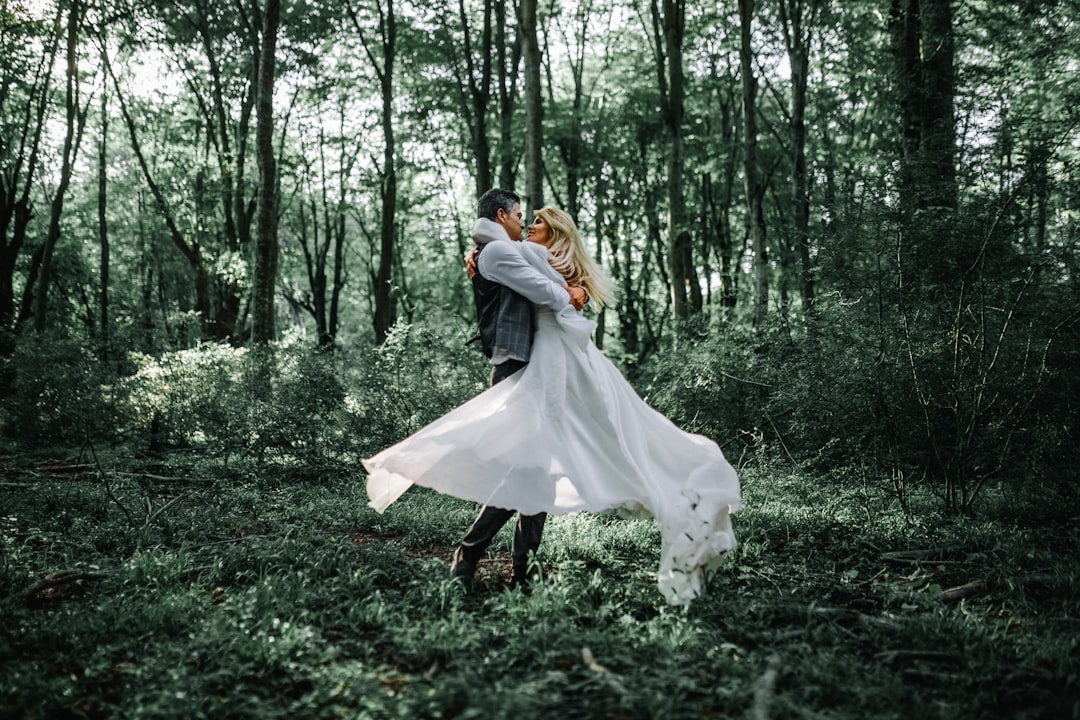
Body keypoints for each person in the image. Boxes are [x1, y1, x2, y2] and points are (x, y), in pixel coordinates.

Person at [362, 204, 741, 605]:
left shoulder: (541, 257)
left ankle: (506, 562)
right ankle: (487, 557)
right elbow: (502, 255)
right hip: (543, 360)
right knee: (528, 465)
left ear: (556, 232)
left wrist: (559, 287)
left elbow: (548, 289)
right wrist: (478, 254)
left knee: (538, 466)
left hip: (565, 362)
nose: (529, 225)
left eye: (539, 221)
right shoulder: (524, 254)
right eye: (526, 217)